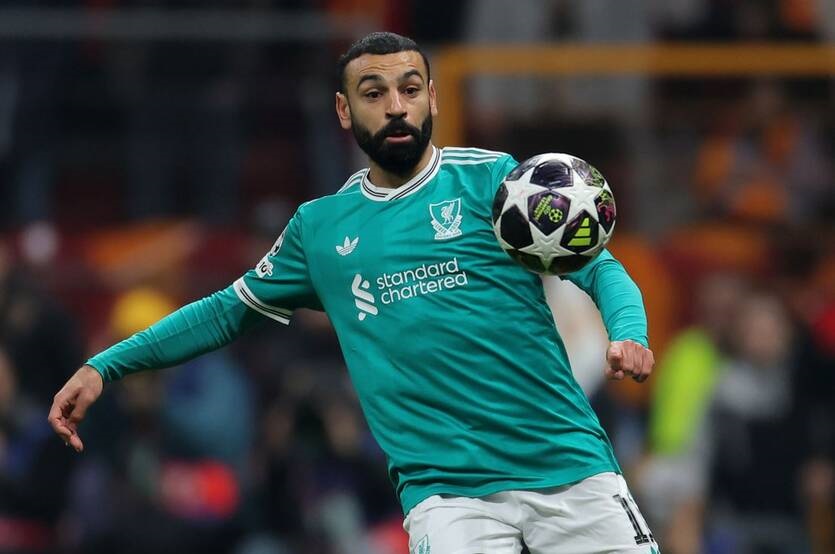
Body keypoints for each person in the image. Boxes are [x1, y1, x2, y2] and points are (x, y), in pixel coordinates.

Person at [49, 32, 658, 553]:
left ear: (433, 98)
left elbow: (600, 269)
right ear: (344, 111)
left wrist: (628, 332)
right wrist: (106, 365)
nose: (396, 107)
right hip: (449, 498)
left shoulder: (494, 181)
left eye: (410, 90)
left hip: (569, 468)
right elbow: (224, 313)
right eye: (374, 94)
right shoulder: (320, 230)